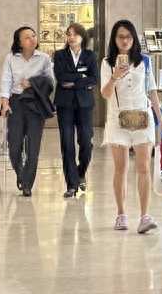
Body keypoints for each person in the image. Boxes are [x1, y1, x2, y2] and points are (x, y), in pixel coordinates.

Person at [101, 19, 162, 234]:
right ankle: (121, 214)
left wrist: (161, 118)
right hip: (117, 119)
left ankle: (145, 216)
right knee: (120, 168)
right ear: (114, 39)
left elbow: (152, 91)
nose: (125, 41)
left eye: (129, 37)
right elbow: (105, 94)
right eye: (121, 37)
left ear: (134, 39)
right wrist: (114, 77)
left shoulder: (144, 61)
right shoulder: (106, 62)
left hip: (142, 118)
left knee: (143, 167)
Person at [0, 26, 54, 196]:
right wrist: (4, 102)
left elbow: (51, 81)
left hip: (35, 104)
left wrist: (32, 83)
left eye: (34, 36)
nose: (32, 39)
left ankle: (27, 184)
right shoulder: (11, 57)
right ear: (19, 42)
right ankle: (21, 174)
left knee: (33, 147)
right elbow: (6, 80)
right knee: (14, 146)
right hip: (16, 102)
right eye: (27, 37)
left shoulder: (44, 58)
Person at [53, 23, 98, 199]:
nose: (71, 37)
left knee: (86, 141)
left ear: (82, 37)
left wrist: (74, 81)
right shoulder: (59, 55)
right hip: (65, 104)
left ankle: (80, 173)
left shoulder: (90, 56)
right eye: (69, 34)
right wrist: (82, 77)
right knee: (67, 143)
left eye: (75, 34)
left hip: (85, 105)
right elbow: (61, 77)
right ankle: (71, 185)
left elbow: (94, 79)